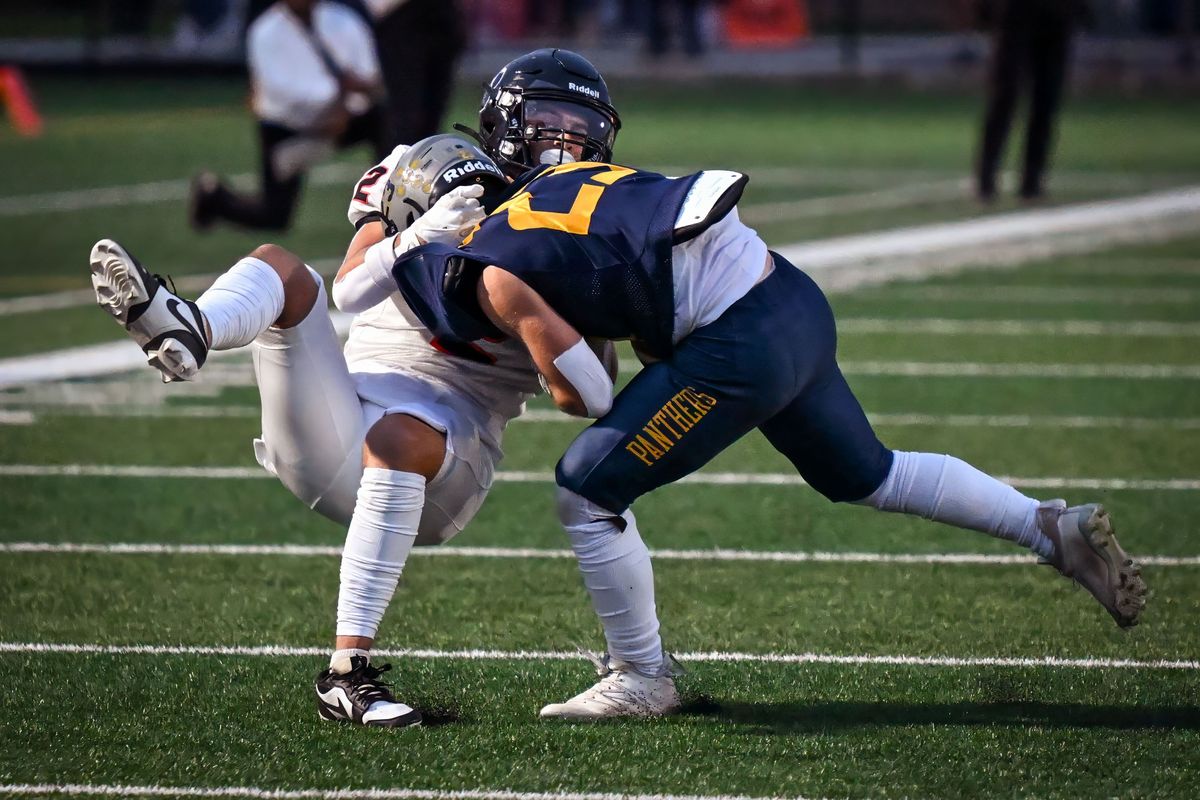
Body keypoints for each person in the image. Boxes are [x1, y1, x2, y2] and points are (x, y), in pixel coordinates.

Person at [374, 155, 1149, 721]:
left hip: (740, 343)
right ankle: (1047, 526)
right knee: (869, 473)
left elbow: (594, 393)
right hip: (789, 298)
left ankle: (643, 675)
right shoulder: (564, 189)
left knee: (586, 487)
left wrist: (550, 369)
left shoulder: (493, 264)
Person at [90, 48, 623, 727]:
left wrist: (550, 309)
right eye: (550, 120)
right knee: (283, 270)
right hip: (336, 415)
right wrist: (420, 235)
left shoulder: (583, 220)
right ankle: (194, 328)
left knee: (398, 434)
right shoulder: (435, 168)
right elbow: (346, 289)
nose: (566, 139)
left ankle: (347, 674)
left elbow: (591, 384)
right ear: (506, 120)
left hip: (445, 462)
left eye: (581, 125)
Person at [190, 0, 388, 232]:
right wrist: (335, 101)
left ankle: (387, 196)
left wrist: (348, 106)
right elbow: (282, 93)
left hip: (346, 116)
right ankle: (214, 197)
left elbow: (369, 72)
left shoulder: (342, 19)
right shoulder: (265, 32)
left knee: (384, 120)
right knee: (274, 215)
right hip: (288, 130)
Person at [975, 0, 1087, 202]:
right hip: (1016, 11)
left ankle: (1032, 179)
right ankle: (987, 177)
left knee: (1046, 97)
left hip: (1055, 14)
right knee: (1005, 94)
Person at [364, 0, 467, 147]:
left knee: (433, 110)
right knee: (405, 111)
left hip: (440, 15)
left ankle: (429, 160)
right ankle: (398, 162)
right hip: (397, 16)